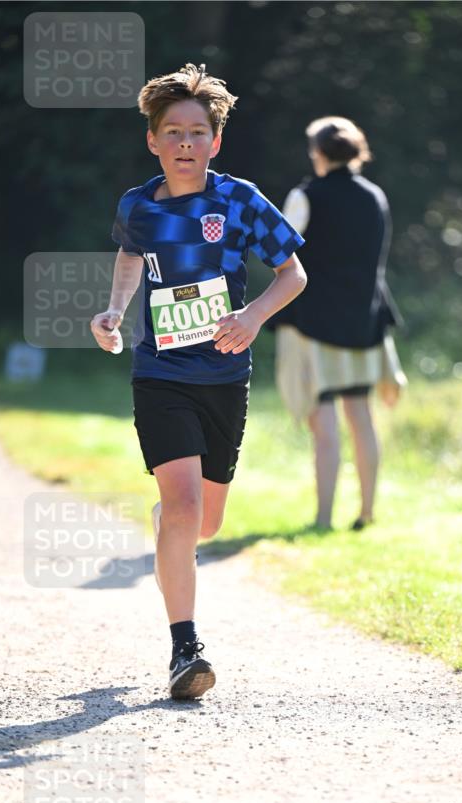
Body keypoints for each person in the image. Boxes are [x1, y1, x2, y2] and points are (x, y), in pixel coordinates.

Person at [90, 63, 306, 700]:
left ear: (215, 141)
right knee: (182, 509)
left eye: (197, 131)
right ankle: (186, 649)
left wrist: (251, 316)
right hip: (160, 374)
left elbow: (292, 275)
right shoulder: (137, 204)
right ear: (153, 141)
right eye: (172, 131)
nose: (185, 142)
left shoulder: (240, 200)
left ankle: (171, 522)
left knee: (202, 522)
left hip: (224, 375)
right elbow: (132, 255)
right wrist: (114, 312)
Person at [272, 116, 407, 531]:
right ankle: (366, 512)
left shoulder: (305, 196)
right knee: (361, 416)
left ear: (318, 152)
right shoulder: (375, 196)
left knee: (324, 421)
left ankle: (323, 518)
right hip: (365, 321)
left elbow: (279, 253)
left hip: (313, 323)